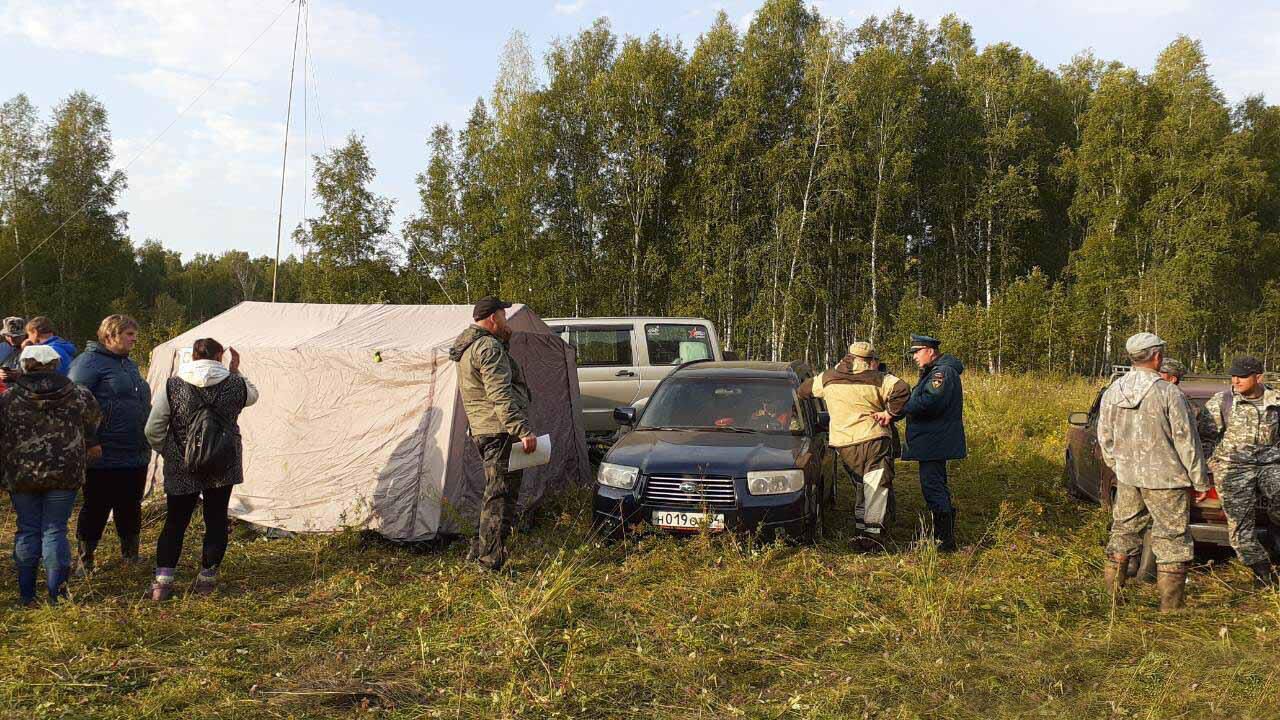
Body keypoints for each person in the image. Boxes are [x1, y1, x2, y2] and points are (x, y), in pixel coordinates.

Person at [1098, 333, 1209, 611]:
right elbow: (1187, 440)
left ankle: (1112, 602)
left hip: (1128, 477)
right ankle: (1171, 611)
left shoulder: (1114, 390)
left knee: (1123, 533)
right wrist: (1199, 479)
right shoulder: (1169, 393)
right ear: (1157, 356)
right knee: (1172, 540)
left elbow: (1104, 437)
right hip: (1166, 480)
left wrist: (1120, 466)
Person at [144, 338, 258, 600]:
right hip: (222, 464)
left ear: (193, 356)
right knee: (216, 521)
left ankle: (163, 583)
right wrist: (235, 370)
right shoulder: (235, 384)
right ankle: (206, 580)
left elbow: (153, 429)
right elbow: (253, 396)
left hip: (183, 465)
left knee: (175, 522)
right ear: (220, 356)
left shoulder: (173, 386)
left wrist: (171, 453)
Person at [0, 345, 102, 605]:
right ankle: (57, 595)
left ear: (24, 365)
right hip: (65, 473)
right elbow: (93, 424)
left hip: (21, 473)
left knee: (27, 529)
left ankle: (26, 595)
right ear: (56, 364)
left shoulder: (9, 398)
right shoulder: (79, 394)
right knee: (55, 529)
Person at [448, 296, 537, 572]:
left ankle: (479, 551)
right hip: (500, 432)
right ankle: (490, 564)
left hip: (484, 429)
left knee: (493, 495)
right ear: (492, 318)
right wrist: (521, 430)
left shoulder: (470, 347)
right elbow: (500, 394)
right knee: (501, 498)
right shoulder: (488, 347)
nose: (506, 321)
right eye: (503, 316)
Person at [800, 342, 909, 546]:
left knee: (861, 484)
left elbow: (803, 390)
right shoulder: (879, 378)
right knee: (876, 485)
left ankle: (861, 527)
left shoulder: (828, 377)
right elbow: (902, 390)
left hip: (844, 443)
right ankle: (873, 536)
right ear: (869, 361)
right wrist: (889, 414)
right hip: (873, 437)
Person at [69, 315, 153, 574]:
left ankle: (130, 556)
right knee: (96, 506)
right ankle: (85, 560)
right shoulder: (89, 363)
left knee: (130, 505)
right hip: (103, 451)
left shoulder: (128, 364)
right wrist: (91, 440)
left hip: (134, 449)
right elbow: (75, 404)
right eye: (128, 334)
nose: (134, 338)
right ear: (109, 336)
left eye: (134, 333)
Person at [1196, 356, 1280, 588]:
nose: (1236, 380)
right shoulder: (1222, 401)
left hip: (1270, 464)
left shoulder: (1276, 401)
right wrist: (1212, 466)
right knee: (1240, 529)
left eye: (1242, 376)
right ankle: (1263, 572)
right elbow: (1204, 438)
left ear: (1258, 377)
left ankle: (1276, 542)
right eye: (1233, 375)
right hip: (1234, 468)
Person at [892, 334, 965, 552]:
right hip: (934, 440)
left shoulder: (941, 373)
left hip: (935, 441)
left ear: (930, 351)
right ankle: (942, 537)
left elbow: (929, 402)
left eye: (917, 352)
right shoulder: (936, 371)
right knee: (936, 485)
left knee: (932, 487)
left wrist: (900, 408)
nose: (914, 357)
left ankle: (944, 542)